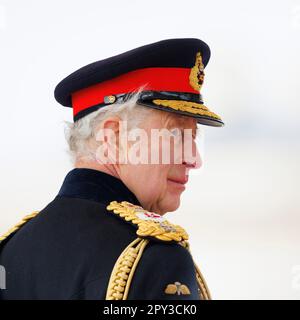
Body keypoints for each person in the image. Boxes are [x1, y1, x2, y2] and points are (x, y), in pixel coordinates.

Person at [0, 38, 224, 300]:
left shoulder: (12, 250)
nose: (194, 159)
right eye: (175, 134)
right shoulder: (152, 258)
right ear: (114, 138)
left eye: (193, 138)